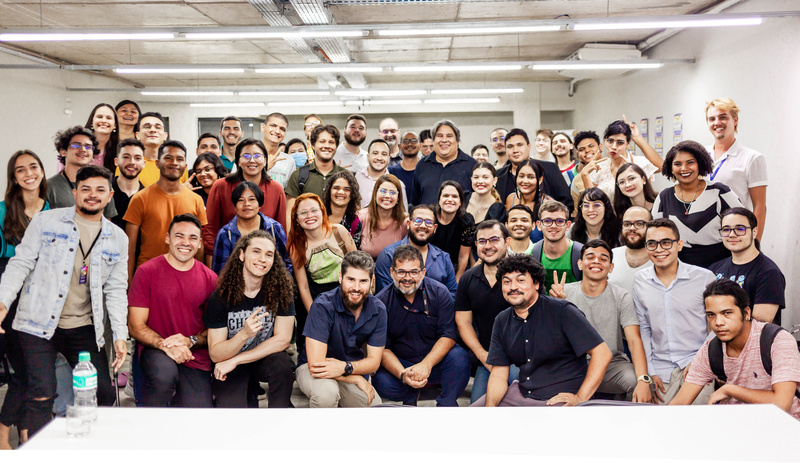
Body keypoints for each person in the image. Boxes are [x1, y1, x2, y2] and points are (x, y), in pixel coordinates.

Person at [0, 165, 128, 436]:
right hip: (37, 323)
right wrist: (2, 302)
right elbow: (20, 263)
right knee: (42, 392)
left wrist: (119, 333)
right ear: (75, 192)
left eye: (100, 190)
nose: (92, 195)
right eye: (85, 189)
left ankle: (84, 443)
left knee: (103, 393)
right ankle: (37, 450)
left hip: (82, 326)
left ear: (109, 196)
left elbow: (116, 289)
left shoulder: (118, 238)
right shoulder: (46, 222)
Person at [472, 254, 612, 407]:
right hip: (521, 394)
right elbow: (499, 374)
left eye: (520, 280)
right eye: (507, 282)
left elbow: (602, 353)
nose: (513, 287)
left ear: (536, 284)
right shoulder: (502, 320)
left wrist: (580, 398)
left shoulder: (562, 311)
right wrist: (490, 410)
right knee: (473, 416)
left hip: (557, 398)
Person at [670, 280, 800, 419]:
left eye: (727, 313)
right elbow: (679, 403)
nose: (718, 322)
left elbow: (782, 403)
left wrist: (730, 390)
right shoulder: (711, 350)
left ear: (746, 313)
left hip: (783, 426)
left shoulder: (777, 340)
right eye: (711, 315)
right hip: (736, 425)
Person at [128, 214, 216, 407]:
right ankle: (151, 422)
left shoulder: (210, 279)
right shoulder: (146, 272)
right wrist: (165, 345)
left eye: (193, 238)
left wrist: (189, 341)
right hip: (156, 348)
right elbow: (135, 326)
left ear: (199, 244)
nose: (186, 242)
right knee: (163, 377)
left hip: (193, 354)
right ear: (167, 238)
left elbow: (214, 331)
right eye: (179, 236)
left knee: (198, 412)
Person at [549, 239, 652, 403]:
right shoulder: (563, 293)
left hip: (612, 366)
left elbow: (633, 340)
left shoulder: (622, 296)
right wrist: (557, 304)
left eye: (603, 258)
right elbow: (550, 338)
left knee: (637, 382)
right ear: (580, 264)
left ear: (611, 267)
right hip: (573, 366)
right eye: (590, 257)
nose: (596, 261)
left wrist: (643, 379)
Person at [206, 230, 296, 408]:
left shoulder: (281, 292)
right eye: (256, 251)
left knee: (283, 365)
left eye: (268, 254)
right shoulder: (221, 297)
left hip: (261, 358)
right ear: (241, 255)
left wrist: (237, 359)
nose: (262, 259)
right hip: (229, 364)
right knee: (235, 416)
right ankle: (248, 394)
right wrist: (244, 334)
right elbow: (216, 353)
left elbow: (283, 340)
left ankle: (280, 414)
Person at [373, 245, 470, 406]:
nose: (407, 278)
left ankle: (446, 403)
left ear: (423, 273)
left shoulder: (439, 292)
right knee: (381, 381)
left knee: (459, 358)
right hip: (402, 364)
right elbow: (383, 348)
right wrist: (403, 374)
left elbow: (448, 335)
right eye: (401, 272)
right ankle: (411, 392)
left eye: (414, 272)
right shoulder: (381, 302)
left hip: (435, 362)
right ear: (391, 273)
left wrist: (426, 365)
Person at [633, 218, 716, 404]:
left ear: (679, 245)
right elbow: (644, 329)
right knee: (659, 420)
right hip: (659, 369)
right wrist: (650, 371)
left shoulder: (704, 278)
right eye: (652, 243)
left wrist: (701, 360)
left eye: (666, 242)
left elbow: (717, 326)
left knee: (697, 418)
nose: (659, 249)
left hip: (696, 363)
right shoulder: (640, 280)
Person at [0, 150, 48, 449]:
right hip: (9, 298)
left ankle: (26, 432)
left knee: (37, 374)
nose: (29, 173)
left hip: (42, 299)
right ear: (14, 177)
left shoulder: (52, 210)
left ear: (42, 171)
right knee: (23, 373)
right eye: (21, 170)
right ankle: (4, 432)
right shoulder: (3, 211)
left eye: (33, 167)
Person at [296, 251, 387, 408]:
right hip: (313, 369)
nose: (356, 288)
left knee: (374, 407)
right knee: (326, 394)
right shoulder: (323, 305)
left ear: (372, 281)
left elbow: (374, 362)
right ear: (340, 277)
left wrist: (346, 368)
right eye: (351, 279)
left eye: (363, 281)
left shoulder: (378, 310)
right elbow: (316, 365)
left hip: (349, 368)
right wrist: (355, 378)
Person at [455, 220, 520, 403]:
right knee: (478, 406)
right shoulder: (468, 279)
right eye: (482, 241)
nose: (488, 246)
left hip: (522, 358)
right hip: (489, 357)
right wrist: (482, 355)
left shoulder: (524, 274)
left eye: (494, 239)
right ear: (476, 245)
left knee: (520, 403)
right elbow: (463, 322)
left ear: (507, 242)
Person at [652, 140, 742, 269]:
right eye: (677, 164)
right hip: (679, 267)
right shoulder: (664, 196)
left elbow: (743, 225)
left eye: (690, 162)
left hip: (721, 265)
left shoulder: (720, 192)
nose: (684, 168)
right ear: (670, 168)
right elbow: (655, 234)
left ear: (700, 164)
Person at [123, 140, 207, 278]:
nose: (174, 162)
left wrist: (197, 277)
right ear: (157, 163)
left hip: (185, 276)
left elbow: (199, 245)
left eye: (179, 159)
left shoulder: (196, 200)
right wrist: (129, 282)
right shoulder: (140, 198)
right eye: (168, 158)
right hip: (148, 276)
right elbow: (129, 247)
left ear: (185, 166)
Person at [287, 193, 357, 350]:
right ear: (296, 219)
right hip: (319, 298)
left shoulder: (338, 231)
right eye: (303, 212)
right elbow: (303, 286)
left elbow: (358, 266)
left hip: (347, 293)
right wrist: (315, 314)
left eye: (314, 210)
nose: (309, 216)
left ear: (322, 212)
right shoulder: (296, 246)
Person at [203, 138, 288, 263]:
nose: (252, 160)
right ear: (238, 160)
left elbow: (281, 232)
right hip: (228, 258)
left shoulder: (276, 189)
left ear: (265, 160)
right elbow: (211, 230)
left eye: (257, 156)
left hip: (264, 262)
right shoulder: (221, 186)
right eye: (246, 156)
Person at [705, 97, 768, 240]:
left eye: (723, 117)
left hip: (735, 235)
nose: (717, 123)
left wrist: (755, 243)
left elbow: (760, 206)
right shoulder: (699, 155)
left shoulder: (752, 158)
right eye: (712, 119)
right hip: (703, 236)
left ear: (735, 120)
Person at [709, 207, 785, 324]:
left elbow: (760, 324)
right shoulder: (714, 269)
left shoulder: (769, 273)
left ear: (754, 232)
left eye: (740, 229)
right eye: (726, 229)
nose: (732, 235)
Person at [375, 204, 457, 297]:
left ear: (435, 228)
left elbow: (452, 295)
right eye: (418, 221)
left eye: (428, 222)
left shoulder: (443, 258)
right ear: (408, 224)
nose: (423, 225)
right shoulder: (388, 255)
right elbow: (384, 296)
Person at [212, 181, 290, 274]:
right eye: (241, 200)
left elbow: (286, 263)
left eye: (251, 199)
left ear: (259, 203)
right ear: (235, 205)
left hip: (272, 280)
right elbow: (220, 272)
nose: (246, 204)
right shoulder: (225, 234)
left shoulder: (274, 228)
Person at [579, 118, 662, 202]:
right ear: (604, 141)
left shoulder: (638, 162)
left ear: (628, 144)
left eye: (620, 142)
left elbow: (661, 167)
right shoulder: (600, 167)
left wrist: (637, 137)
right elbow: (593, 201)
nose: (614, 147)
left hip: (637, 209)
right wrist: (584, 174)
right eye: (610, 141)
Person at [47, 126, 117, 218]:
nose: (83, 149)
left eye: (88, 147)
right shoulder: (49, 186)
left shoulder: (103, 184)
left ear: (93, 155)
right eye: (76, 145)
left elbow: (108, 221)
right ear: (63, 152)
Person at [496, 128, 573, 212]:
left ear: (529, 146)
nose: (515, 150)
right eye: (510, 146)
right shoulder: (498, 175)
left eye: (519, 145)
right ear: (506, 150)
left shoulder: (549, 168)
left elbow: (567, 204)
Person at [285, 125, 346, 224]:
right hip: (306, 233)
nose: (327, 146)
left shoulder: (346, 176)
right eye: (322, 141)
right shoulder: (299, 175)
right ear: (313, 145)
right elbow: (290, 215)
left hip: (339, 232)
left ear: (336, 145)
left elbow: (354, 211)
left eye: (331, 142)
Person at [410, 120, 476, 205]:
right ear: (433, 140)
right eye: (439, 136)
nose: (444, 140)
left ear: (457, 140)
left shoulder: (472, 165)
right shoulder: (422, 165)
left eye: (449, 136)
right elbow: (415, 202)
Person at [532, 200, 583, 294]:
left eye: (560, 221)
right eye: (547, 221)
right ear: (539, 225)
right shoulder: (530, 255)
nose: (553, 225)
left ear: (568, 225)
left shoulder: (582, 254)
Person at [357, 174, 408, 259]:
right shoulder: (360, 217)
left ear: (398, 198)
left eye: (392, 192)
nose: (387, 196)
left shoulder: (405, 221)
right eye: (383, 191)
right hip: (364, 265)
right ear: (375, 194)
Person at [431, 181, 474, 280]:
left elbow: (463, 257)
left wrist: (457, 281)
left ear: (460, 202)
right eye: (446, 196)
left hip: (452, 267)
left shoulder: (466, 221)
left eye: (454, 196)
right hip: (428, 264)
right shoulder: (430, 216)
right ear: (439, 200)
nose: (450, 200)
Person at [608, 206, 653, 294]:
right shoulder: (610, 255)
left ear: (651, 227)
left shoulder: (661, 260)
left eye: (639, 223)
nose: (632, 228)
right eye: (627, 224)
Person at [135, 112, 187, 187]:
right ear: (138, 135)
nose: (153, 130)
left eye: (158, 127)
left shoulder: (177, 165)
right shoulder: (130, 165)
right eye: (147, 127)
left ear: (165, 135)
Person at [356, 139, 408, 209]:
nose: (379, 158)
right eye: (375, 153)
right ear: (368, 157)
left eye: (384, 154)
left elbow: (403, 213)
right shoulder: (356, 178)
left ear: (389, 159)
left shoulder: (398, 185)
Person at [110, 138, 146, 230]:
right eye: (126, 157)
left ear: (144, 163)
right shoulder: (105, 192)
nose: (132, 162)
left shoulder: (147, 197)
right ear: (116, 161)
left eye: (137, 158)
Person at [504, 159, 552, 227]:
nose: (525, 181)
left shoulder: (547, 204)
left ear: (540, 180)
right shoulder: (511, 199)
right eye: (521, 176)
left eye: (531, 177)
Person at [323, 171, 362, 248]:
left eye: (347, 189)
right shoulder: (316, 215)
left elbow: (353, 253)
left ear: (352, 194)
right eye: (336, 188)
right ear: (329, 191)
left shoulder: (354, 223)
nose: (341, 192)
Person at [570, 130, 603, 216]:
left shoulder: (612, 168)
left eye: (591, 146)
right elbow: (577, 212)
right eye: (582, 149)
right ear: (578, 154)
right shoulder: (577, 180)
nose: (587, 150)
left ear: (600, 147)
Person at [259, 113, 295, 188]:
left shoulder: (288, 160)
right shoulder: (250, 154)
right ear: (263, 127)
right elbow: (240, 183)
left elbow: (289, 191)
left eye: (282, 129)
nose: (277, 131)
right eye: (273, 126)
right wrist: (265, 167)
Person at [82, 103, 119, 172]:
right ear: (92, 122)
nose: (104, 121)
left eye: (108, 118)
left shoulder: (120, 150)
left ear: (115, 125)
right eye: (99, 117)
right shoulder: (79, 146)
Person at [388, 130, 421, 196]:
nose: (410, 144)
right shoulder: (391, 172)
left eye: (414, 141)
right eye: (405, 141)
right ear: (400, 146)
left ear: (420, 145)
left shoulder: (427, 170)